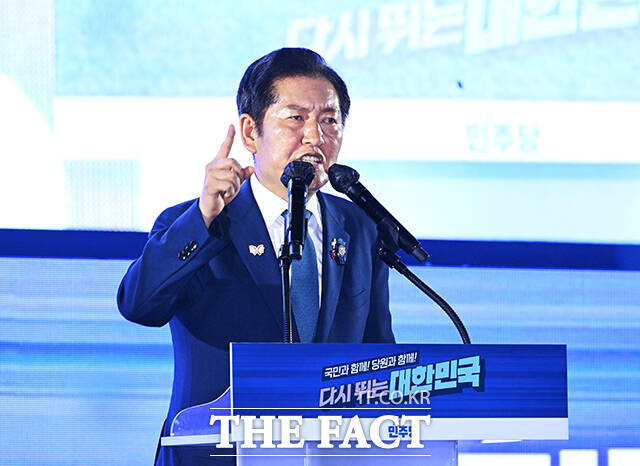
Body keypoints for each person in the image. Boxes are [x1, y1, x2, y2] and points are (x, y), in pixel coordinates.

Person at [117, 47, 395, 465]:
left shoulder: (359, 228)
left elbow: (378, 356)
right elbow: (140, 306)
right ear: (250, 132)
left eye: (329, 120)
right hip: (214, 454)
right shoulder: (200, 223)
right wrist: (203, 218)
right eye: (296, 118)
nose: (315, 137)